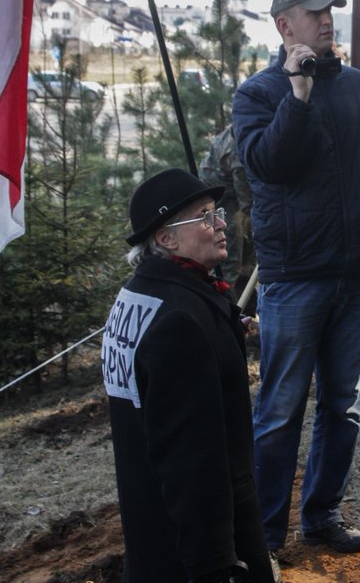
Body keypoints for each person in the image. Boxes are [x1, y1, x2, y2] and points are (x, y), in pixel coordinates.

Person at [232, 0, 360, 554]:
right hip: (293, 281)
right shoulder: (257, 95)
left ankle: (322, 518)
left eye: (330, 10)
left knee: (343, 403)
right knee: (280, 409)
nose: (327, 19)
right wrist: (298, 94)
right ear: (285, 25)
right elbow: (269, 164)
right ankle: (263, 537)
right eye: (314, 12)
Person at [101, 168, 275, 583]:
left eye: (217, 213)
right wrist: (216, 562)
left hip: (152, 530)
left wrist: (223, 328)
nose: (221, 226)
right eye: (204, 217)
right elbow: (192, 459)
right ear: (165, 238)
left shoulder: (138, 296)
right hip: (197, 544)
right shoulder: (181, 321)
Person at [200, 124, 255, 296]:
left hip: (224, 192)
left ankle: (247, 293)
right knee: (231, 251)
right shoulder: (239, 151)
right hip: (219, 198)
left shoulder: (242, 126)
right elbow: (247, 202)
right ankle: (229, 300)